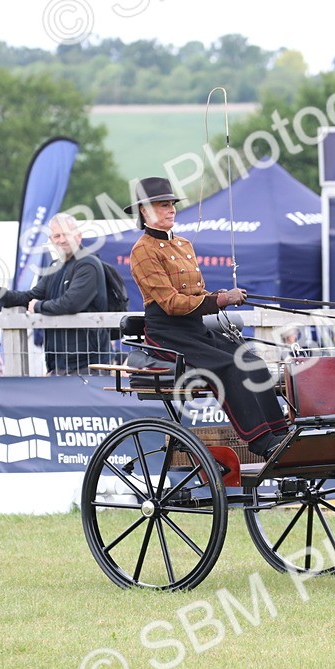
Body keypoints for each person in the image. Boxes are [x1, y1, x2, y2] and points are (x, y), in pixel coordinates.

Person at [128, 176, 289, 459]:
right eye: (163, 205)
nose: (171, 210)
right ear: (145, 211)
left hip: (194, 328)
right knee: (228, 366)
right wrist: (220, 301)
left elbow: (195, 293)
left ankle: (280, 432)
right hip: (167, 332)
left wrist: (220, 295)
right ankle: (260, 441)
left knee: (252, 362)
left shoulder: (183, 244)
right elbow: (171, 303)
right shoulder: (142, 251)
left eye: (172, 204)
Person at [0, 213, 111, 375]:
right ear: (51, 240)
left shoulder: (88, 264)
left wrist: (38, 306)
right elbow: (28, 296)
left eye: (66, 234)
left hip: (89, 364)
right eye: (57, 235)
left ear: (78, 237)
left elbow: (71, 303)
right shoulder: (54, 266)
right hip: (58, 362)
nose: (62, 240)